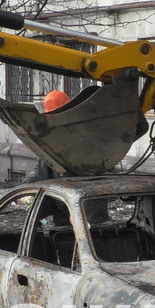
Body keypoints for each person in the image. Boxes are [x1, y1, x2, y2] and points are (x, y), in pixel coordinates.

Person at [26, 90, 109, 225]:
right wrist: (24, 186)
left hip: (86, 206)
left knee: (90, 241)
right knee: (63, 241)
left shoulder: (83, 134)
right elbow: (42, 168)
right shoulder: (53, 137)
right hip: (64, 206)